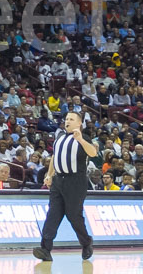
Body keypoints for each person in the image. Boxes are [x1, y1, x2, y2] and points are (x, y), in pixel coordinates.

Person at [32, 112, 97, 263]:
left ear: (79, 123)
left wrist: (80, 139)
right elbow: (55, 157)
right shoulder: (59, 137)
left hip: (75, 181)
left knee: (74, 216)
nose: (67, 121)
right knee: (52, 214)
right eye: (66, 119)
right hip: (58, 181)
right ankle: (45, 249)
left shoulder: (83, 138)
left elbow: (93, 153)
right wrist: (49, 175)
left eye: (71, 119)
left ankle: (86, 242)